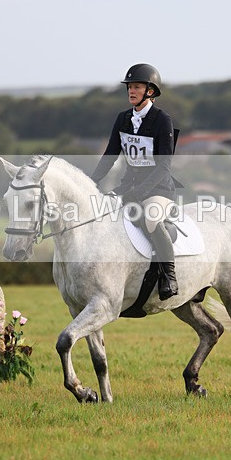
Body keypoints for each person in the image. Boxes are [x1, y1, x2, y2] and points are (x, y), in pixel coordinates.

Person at [90, 63, 179, 299]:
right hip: (128, 186)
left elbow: (163, 166)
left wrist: (140, 192)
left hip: (158, 189)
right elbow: (110, 155)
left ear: (150, 91)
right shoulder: (123, 119)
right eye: (129, 86)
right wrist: (91, 182)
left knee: (150, 219)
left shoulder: (162, 120)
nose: (131, 90)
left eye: (137, 86)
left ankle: (169, 276)